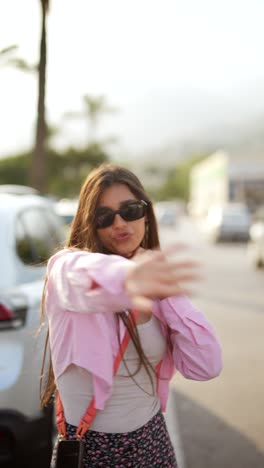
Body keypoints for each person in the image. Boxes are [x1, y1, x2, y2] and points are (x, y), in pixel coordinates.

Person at [40, 163, 222, 468]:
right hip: (94, 450)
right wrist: (133, 277)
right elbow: (87, 276)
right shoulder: (66, 269)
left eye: (131, 209)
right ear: (90, 223)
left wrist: (169, 292)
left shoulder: (155, 283)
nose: (120, 222)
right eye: (105, 216)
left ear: (146, 213)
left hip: (152, 442)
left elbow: (206, 366)